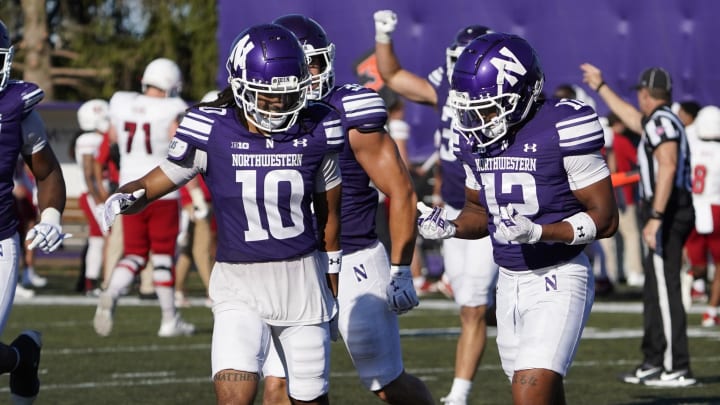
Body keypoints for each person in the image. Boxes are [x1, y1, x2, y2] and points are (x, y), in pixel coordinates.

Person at [102, 23, 343, 404]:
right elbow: (166, 175)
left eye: (286, 95)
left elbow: (329, 215)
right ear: (240, 86)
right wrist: (126, 195)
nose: (278, 105)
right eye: (266, 96)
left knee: (311, 399)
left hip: (302, 282)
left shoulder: (320, 126)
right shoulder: (210, 126)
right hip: (238, 283)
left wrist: (333, 286)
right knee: (234, 397)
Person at [418, 33, 618, 405]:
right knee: (538, 392)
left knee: (530, 387)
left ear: (526, 91)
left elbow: (605, 219)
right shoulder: (474, 138)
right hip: (508, 283)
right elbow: (479, 213)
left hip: (558, 275)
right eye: (473, 107)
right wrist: (451, 226)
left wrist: (540, 231)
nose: (480, 118)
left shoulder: (563, 124)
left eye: (491, 107)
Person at [266, 14, 433, 405]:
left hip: (356, 259)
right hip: (292, 265)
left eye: (317, 63)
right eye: (302, 64)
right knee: (278, 388)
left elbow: (401, 192)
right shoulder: (260, 118)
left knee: (388, 385)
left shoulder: (350, 108)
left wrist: (400, 268)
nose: (312, 73)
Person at [374, 9, 497, 404]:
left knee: (474, 308)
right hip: (455, 211)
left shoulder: (499, 94)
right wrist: (383, 34)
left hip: (490, 209)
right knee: (467, 302)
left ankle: (459, 395)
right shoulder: (446, 88)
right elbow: (392, 75)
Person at [581, 63, 695, 386]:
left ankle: (677, 366)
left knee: (664, 288)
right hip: (665, 209)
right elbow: (632, 119)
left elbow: (668, 167)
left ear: (646, 94)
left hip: (668, 211)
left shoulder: (662, 122)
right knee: (654, 289)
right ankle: (655, 359)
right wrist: (601, 87)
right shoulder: (661, 120)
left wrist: (656, 217)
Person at [93, 57, 194, 337]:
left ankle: (111, 292)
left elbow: (113, 137)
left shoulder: (122, 103)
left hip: (128, 190)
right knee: (162, 256)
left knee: (135, 254)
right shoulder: (173, 108)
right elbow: (180, 140)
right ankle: (169, 320)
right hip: (161, 189)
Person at [0, 19, 68, 404]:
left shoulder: (17, 110)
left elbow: (47, 172)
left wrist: (52, 216)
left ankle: (22, 355)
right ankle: (21, 356)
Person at [683, 105, 720, 326]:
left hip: (693, 208)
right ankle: (711, 312)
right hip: (716, 208)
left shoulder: (691, 148)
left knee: (698, 265)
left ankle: (691, 277)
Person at [75, 99, 111, 295]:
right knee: (105, 238)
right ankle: (99, 281)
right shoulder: (89, 140)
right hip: (94, 194)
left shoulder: (93, 138)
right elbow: (89, 173)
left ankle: (91, 282)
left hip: (96, 192)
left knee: (98, 239)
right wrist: (97, 197)